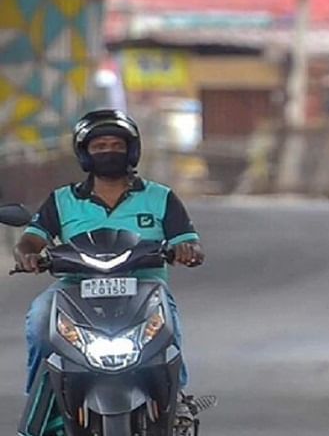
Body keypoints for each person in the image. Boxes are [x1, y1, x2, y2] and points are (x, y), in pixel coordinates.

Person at [14, 109, 204, 413]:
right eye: (99, 147)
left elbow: (187, 240)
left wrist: (187, 250)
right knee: (39, 320)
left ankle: (176, 396)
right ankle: (41, 401)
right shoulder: (62, 200)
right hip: (75, 289)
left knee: (167, 322)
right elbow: (31, 239)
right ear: (85, 154)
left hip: (144, 287)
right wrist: (28, 255)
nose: (109, 152)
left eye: (116, 146)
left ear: (131, 150)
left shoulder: (160, 196)